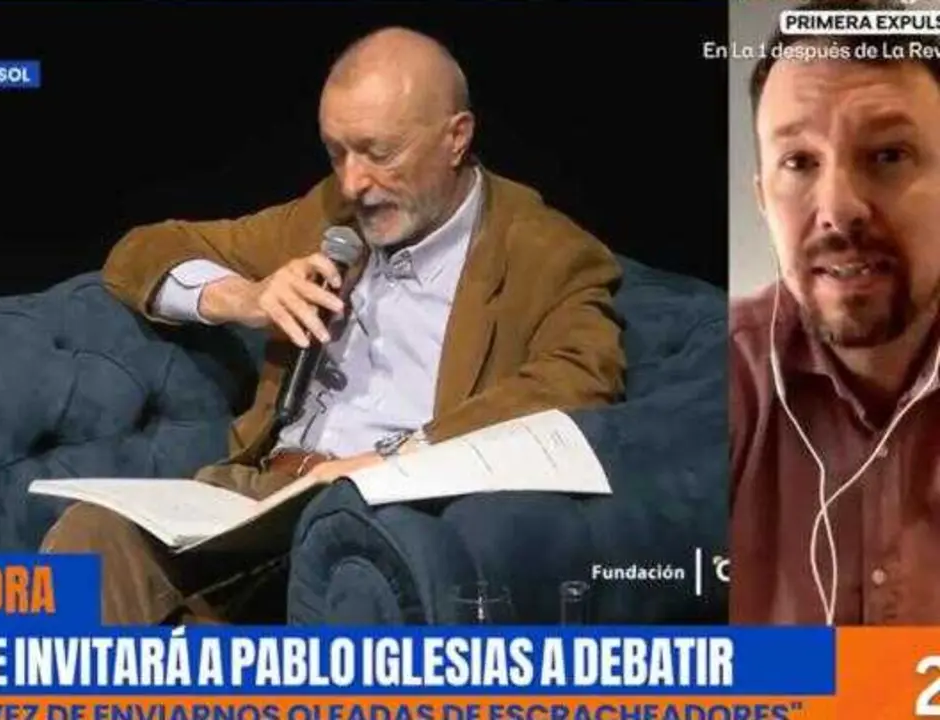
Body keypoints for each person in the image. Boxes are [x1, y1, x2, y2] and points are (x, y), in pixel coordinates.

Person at [42, 27, 626, 623]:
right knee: (91, 537)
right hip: (262, 496)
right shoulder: (329, 212)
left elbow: (580, 378)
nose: (353, 183)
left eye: (378, 154)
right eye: (336, 153)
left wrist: (402, 456)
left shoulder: (543, 250)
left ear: (456, 138)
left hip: (384, 509)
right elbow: (142, 252)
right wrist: (247, 298)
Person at [730, 0, 940, 624]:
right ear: (763, 199)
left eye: (888, 155)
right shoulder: (719, 381)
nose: (839, 208)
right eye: (799, 162)